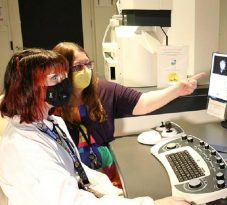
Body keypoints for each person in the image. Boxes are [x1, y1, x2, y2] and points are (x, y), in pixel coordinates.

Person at [0, 48, 190, 205]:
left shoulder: (51, 123)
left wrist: (107, 189)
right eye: (54, 78)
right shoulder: (23, 147)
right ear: (29, 87)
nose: (63, 83)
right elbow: (71, 202)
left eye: (63, 77)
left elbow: (76, 170)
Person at [52, 42, 206, 186]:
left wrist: (177, 90)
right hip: (72, 179)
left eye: (87, 64)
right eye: (77, 67)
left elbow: (143, 103)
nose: (85, 70)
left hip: (106, 176)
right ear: (62, 72)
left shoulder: (104, 90)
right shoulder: (52, 102)